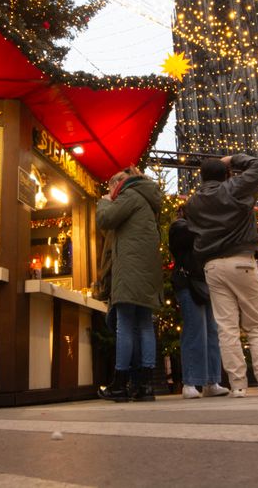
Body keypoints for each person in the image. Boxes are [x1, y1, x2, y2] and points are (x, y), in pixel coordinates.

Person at [184, 154, 258, 398]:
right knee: (257, 326)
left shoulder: (193, 203)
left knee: (226, 328)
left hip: (213, 266)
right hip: (242, 261)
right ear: (227, 173)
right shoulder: (235, 189)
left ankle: (238, 385)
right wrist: (232, 159)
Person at [96, 167, 163, 402]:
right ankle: (145, 386)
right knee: (144, 324)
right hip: (147, 273)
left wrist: (103, 202)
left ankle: (119, 384)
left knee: (123, 324)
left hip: (130, 272)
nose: (111, 193)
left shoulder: (129, 195)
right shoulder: (147, 199)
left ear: (119, 183)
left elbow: (105, 219)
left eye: (111, 188)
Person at [170, 211, 229, 399]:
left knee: (211, 332)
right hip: (189, 283)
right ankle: (190, 381)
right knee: (195, 331)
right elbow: (186, 240)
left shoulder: (198, 228)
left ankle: (211, 381)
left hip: (206, 282)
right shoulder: (179, 227)